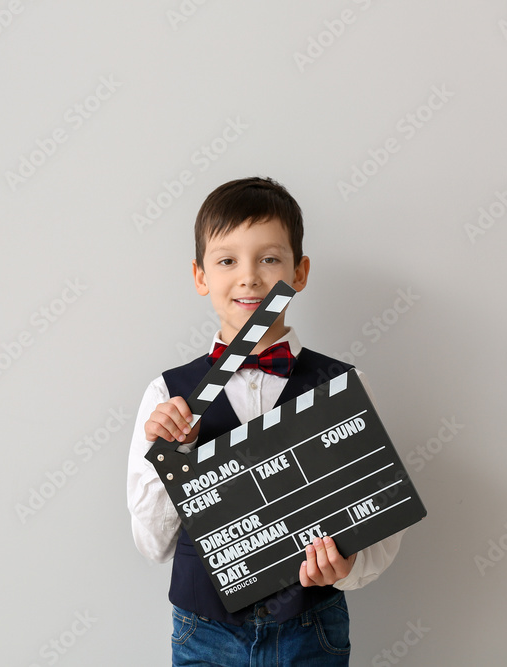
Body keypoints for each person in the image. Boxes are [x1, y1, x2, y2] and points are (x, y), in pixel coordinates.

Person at [126, 176, 405, 666]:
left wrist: (345, 566)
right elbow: (153, 544)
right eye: (227, 260)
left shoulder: (345, 387)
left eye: (270, 258)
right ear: (200, 276)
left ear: (300, 272)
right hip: (204, 632)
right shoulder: (166, 396)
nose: (250, 277)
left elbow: (379, 532)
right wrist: (172, 453)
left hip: (310, 629)